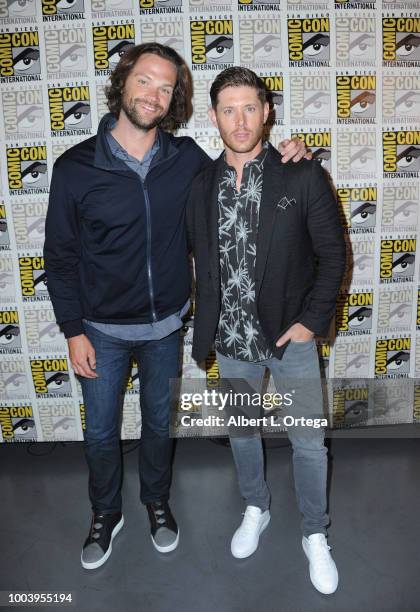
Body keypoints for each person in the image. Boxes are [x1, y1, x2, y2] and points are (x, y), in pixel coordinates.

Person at [43, 44, 309, 570]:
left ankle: (157, 502)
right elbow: (60, 255)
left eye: (166, 87)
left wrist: (287, 153)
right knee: (99, 432)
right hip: (100, 330)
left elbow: (242, 168)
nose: (154, 94)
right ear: (123, 84)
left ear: (175, 99)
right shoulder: (74, 168)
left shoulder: (184, 159)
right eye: (145, 81)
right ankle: (105, 512)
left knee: (160, 427)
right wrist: (73, 329)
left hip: (166, 326)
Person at [186, 67, 346, 595]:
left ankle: (314, 534)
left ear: (267, 112)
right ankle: (256, 507)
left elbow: (333, 256)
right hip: (231, 342)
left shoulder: (300, 175)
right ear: (213, 116)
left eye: (249, 107)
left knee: (307, 443)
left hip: (289, 338)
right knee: (242, 432)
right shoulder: (201, 183)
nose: (239, 120)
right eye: (228, 109)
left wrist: (310, 322)